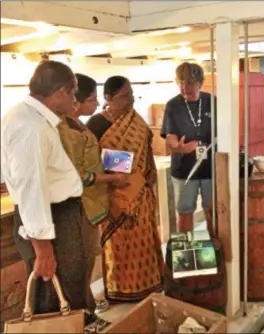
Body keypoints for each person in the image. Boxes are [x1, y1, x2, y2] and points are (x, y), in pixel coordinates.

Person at [0, 61, 96, 326]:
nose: (75, 100)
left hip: (55, 217)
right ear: (61, 91)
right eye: (74, 93)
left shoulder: (27, 117)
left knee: (66, 291)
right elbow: (32, 188)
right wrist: (43, 250)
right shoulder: (31, 127)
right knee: (56, 298)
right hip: (52, 221)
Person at [58, 73, 128, 327]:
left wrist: (118, 168)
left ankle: (87, 310)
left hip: (93, 205)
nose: (96, 104)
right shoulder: (66, 130)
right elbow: (79, 174)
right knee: (80, 266)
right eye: (91, 99)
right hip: (81, 206)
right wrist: (111, 179)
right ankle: (84, 317)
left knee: (87, 262)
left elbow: (98, 156)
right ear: (74, 101)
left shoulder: (79, 126)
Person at [86, 75, 164, 302]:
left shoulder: (136, 121)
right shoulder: (96, 124)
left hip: (140, 193)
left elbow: (146, 152)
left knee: (145, 242)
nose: (130, 100)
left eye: (131, 94)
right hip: (115, 196)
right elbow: (92, 162)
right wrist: (115, 176)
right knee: (119, 246)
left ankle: (150, 285)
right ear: (108, 98)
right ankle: (122, 290)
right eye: (123, 96)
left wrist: (149, 176)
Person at [161, 62, 217, 233]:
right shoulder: (173, 105)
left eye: (190, 83)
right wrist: (178, 147)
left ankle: (216, 248)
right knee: (185, 212)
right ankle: (187, 255)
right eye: (180, 82)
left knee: (213, 211)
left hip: (211, 168)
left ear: (200, 83)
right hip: (184, 169)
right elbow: (169, 136)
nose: (184, 87)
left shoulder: (212, 101)